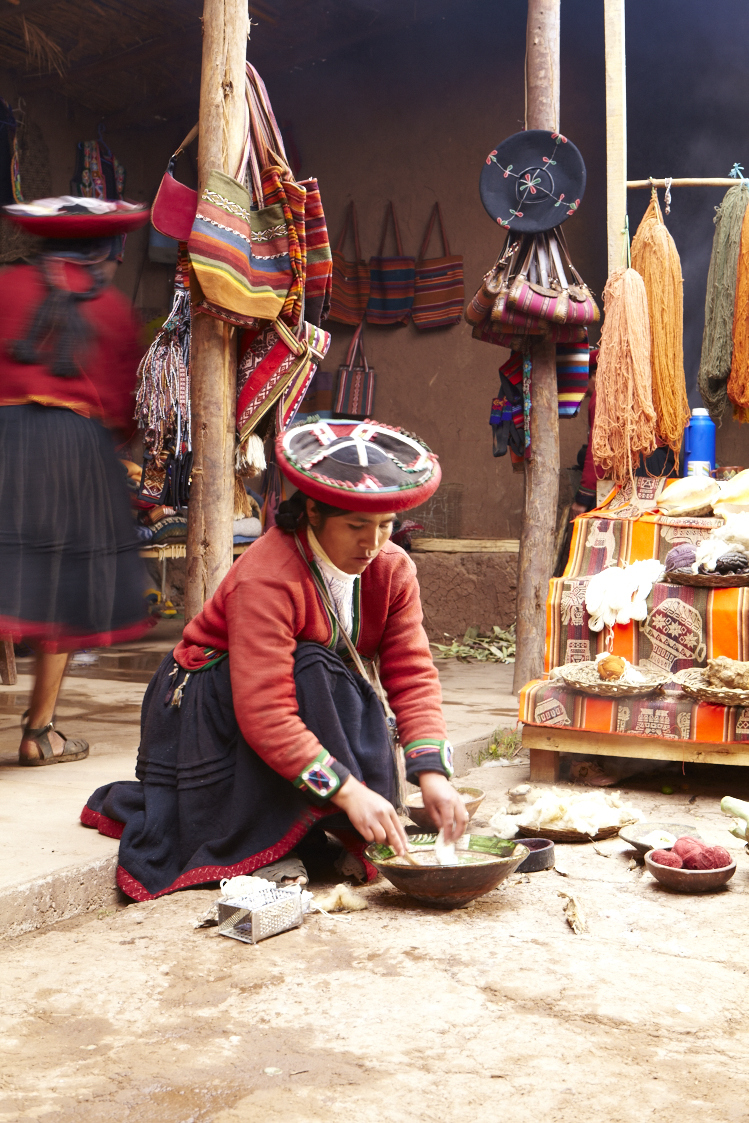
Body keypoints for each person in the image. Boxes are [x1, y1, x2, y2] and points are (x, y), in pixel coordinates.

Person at [82, 420, 468, 899]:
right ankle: (293, 827)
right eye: (355, 526)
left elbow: (411, 674)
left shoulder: (392, 570)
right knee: (316, 668)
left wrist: (432, 775)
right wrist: (348, 789)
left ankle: (343, 822)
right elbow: (265, 710)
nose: (372, 545)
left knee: (333, 678)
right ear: (312, 511)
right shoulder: (267, 576)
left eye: (385, 527)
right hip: (208, 702)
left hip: (301, 690)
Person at [0, 197, 152, 765]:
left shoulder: (6, 286)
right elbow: (124, 407)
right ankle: (40, 734)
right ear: (101, 252)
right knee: (60, 587)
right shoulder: (113, 308)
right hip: (75, 449)